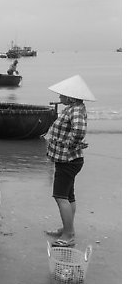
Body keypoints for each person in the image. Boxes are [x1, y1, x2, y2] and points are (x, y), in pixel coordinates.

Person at [44, 75, 96, 248]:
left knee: (60, 197)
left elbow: (79, 131)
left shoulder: (75, 110)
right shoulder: (73, 108)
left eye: (62, 94)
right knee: (68, 196)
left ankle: (68, 235)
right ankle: (67, 227)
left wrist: (70, 145)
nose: (59, 97)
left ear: (71, 97)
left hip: (68, 160)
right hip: (69, 159)